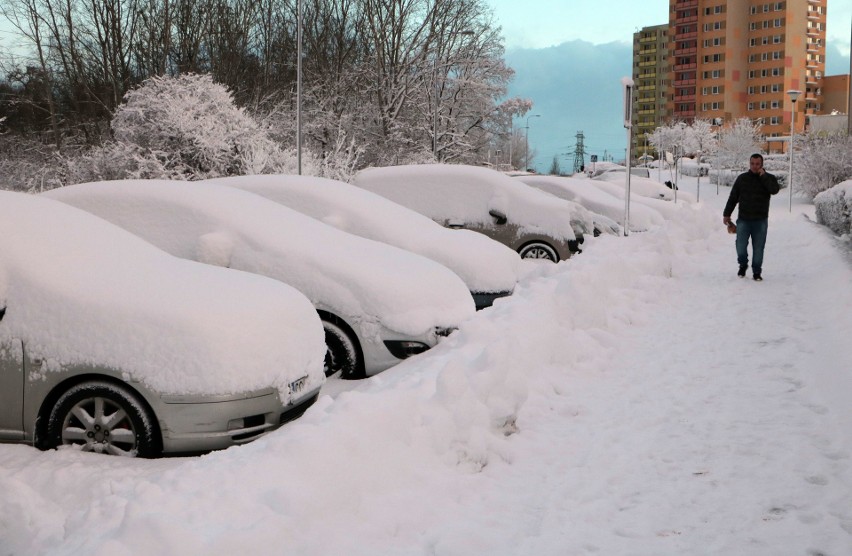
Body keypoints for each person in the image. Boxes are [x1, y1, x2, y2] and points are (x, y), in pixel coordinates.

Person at [722, 153, 780, 281]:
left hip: (760, 220)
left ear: (762, 165)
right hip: (743, 219)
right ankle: (743, 265)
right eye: (752, 164)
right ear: (749, 164)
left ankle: (757, 272)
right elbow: (733, 197)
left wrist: (763, 176)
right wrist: (727, 214)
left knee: (758, 248)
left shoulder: (769, 178)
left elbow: (774, 190)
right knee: (740, 246)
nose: (754, 166)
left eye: (757, 164)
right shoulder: (742, 179)